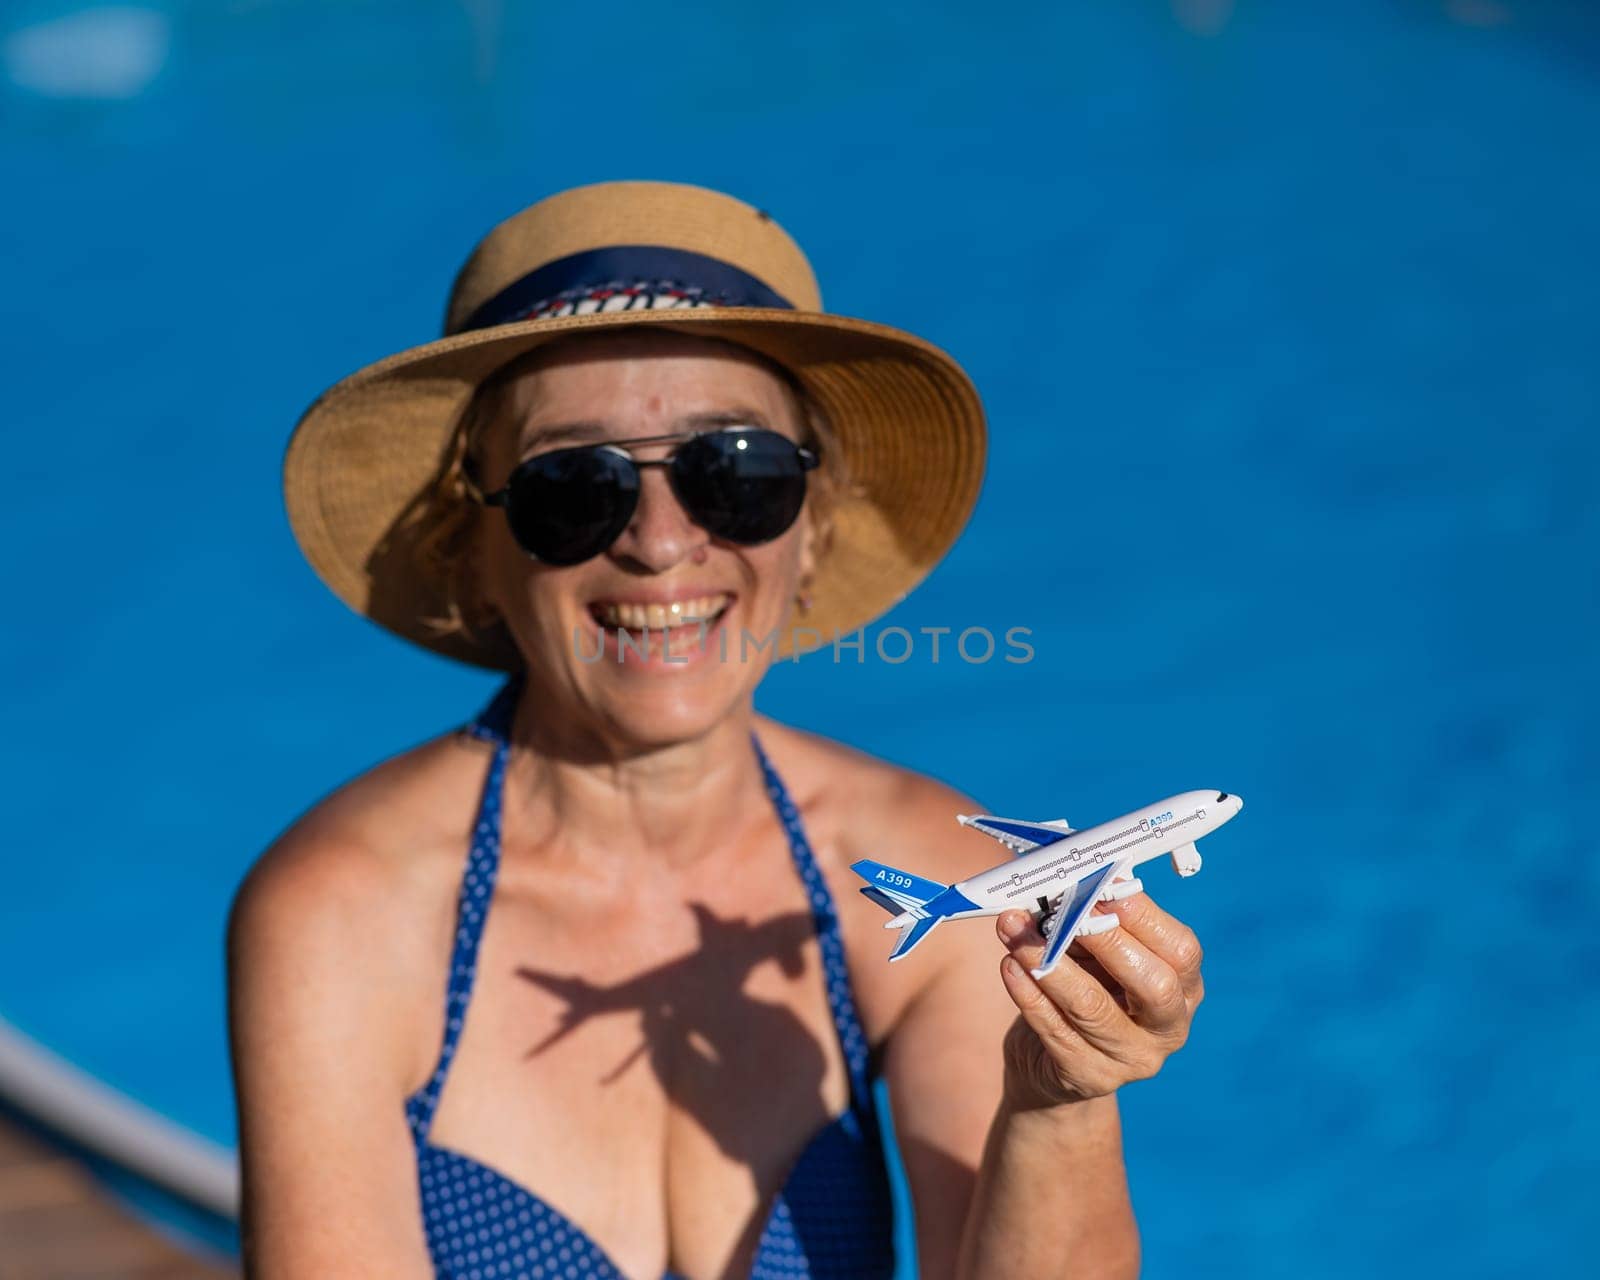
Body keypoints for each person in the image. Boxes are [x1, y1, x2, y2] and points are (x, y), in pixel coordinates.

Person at [229, 180, 1205, 1280]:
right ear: (474, 550)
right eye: (572, 486)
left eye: (732, 473)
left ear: (812, 524)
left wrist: (1059, 1104)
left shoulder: (923, 860)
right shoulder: (349, 908)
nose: (658, 542)